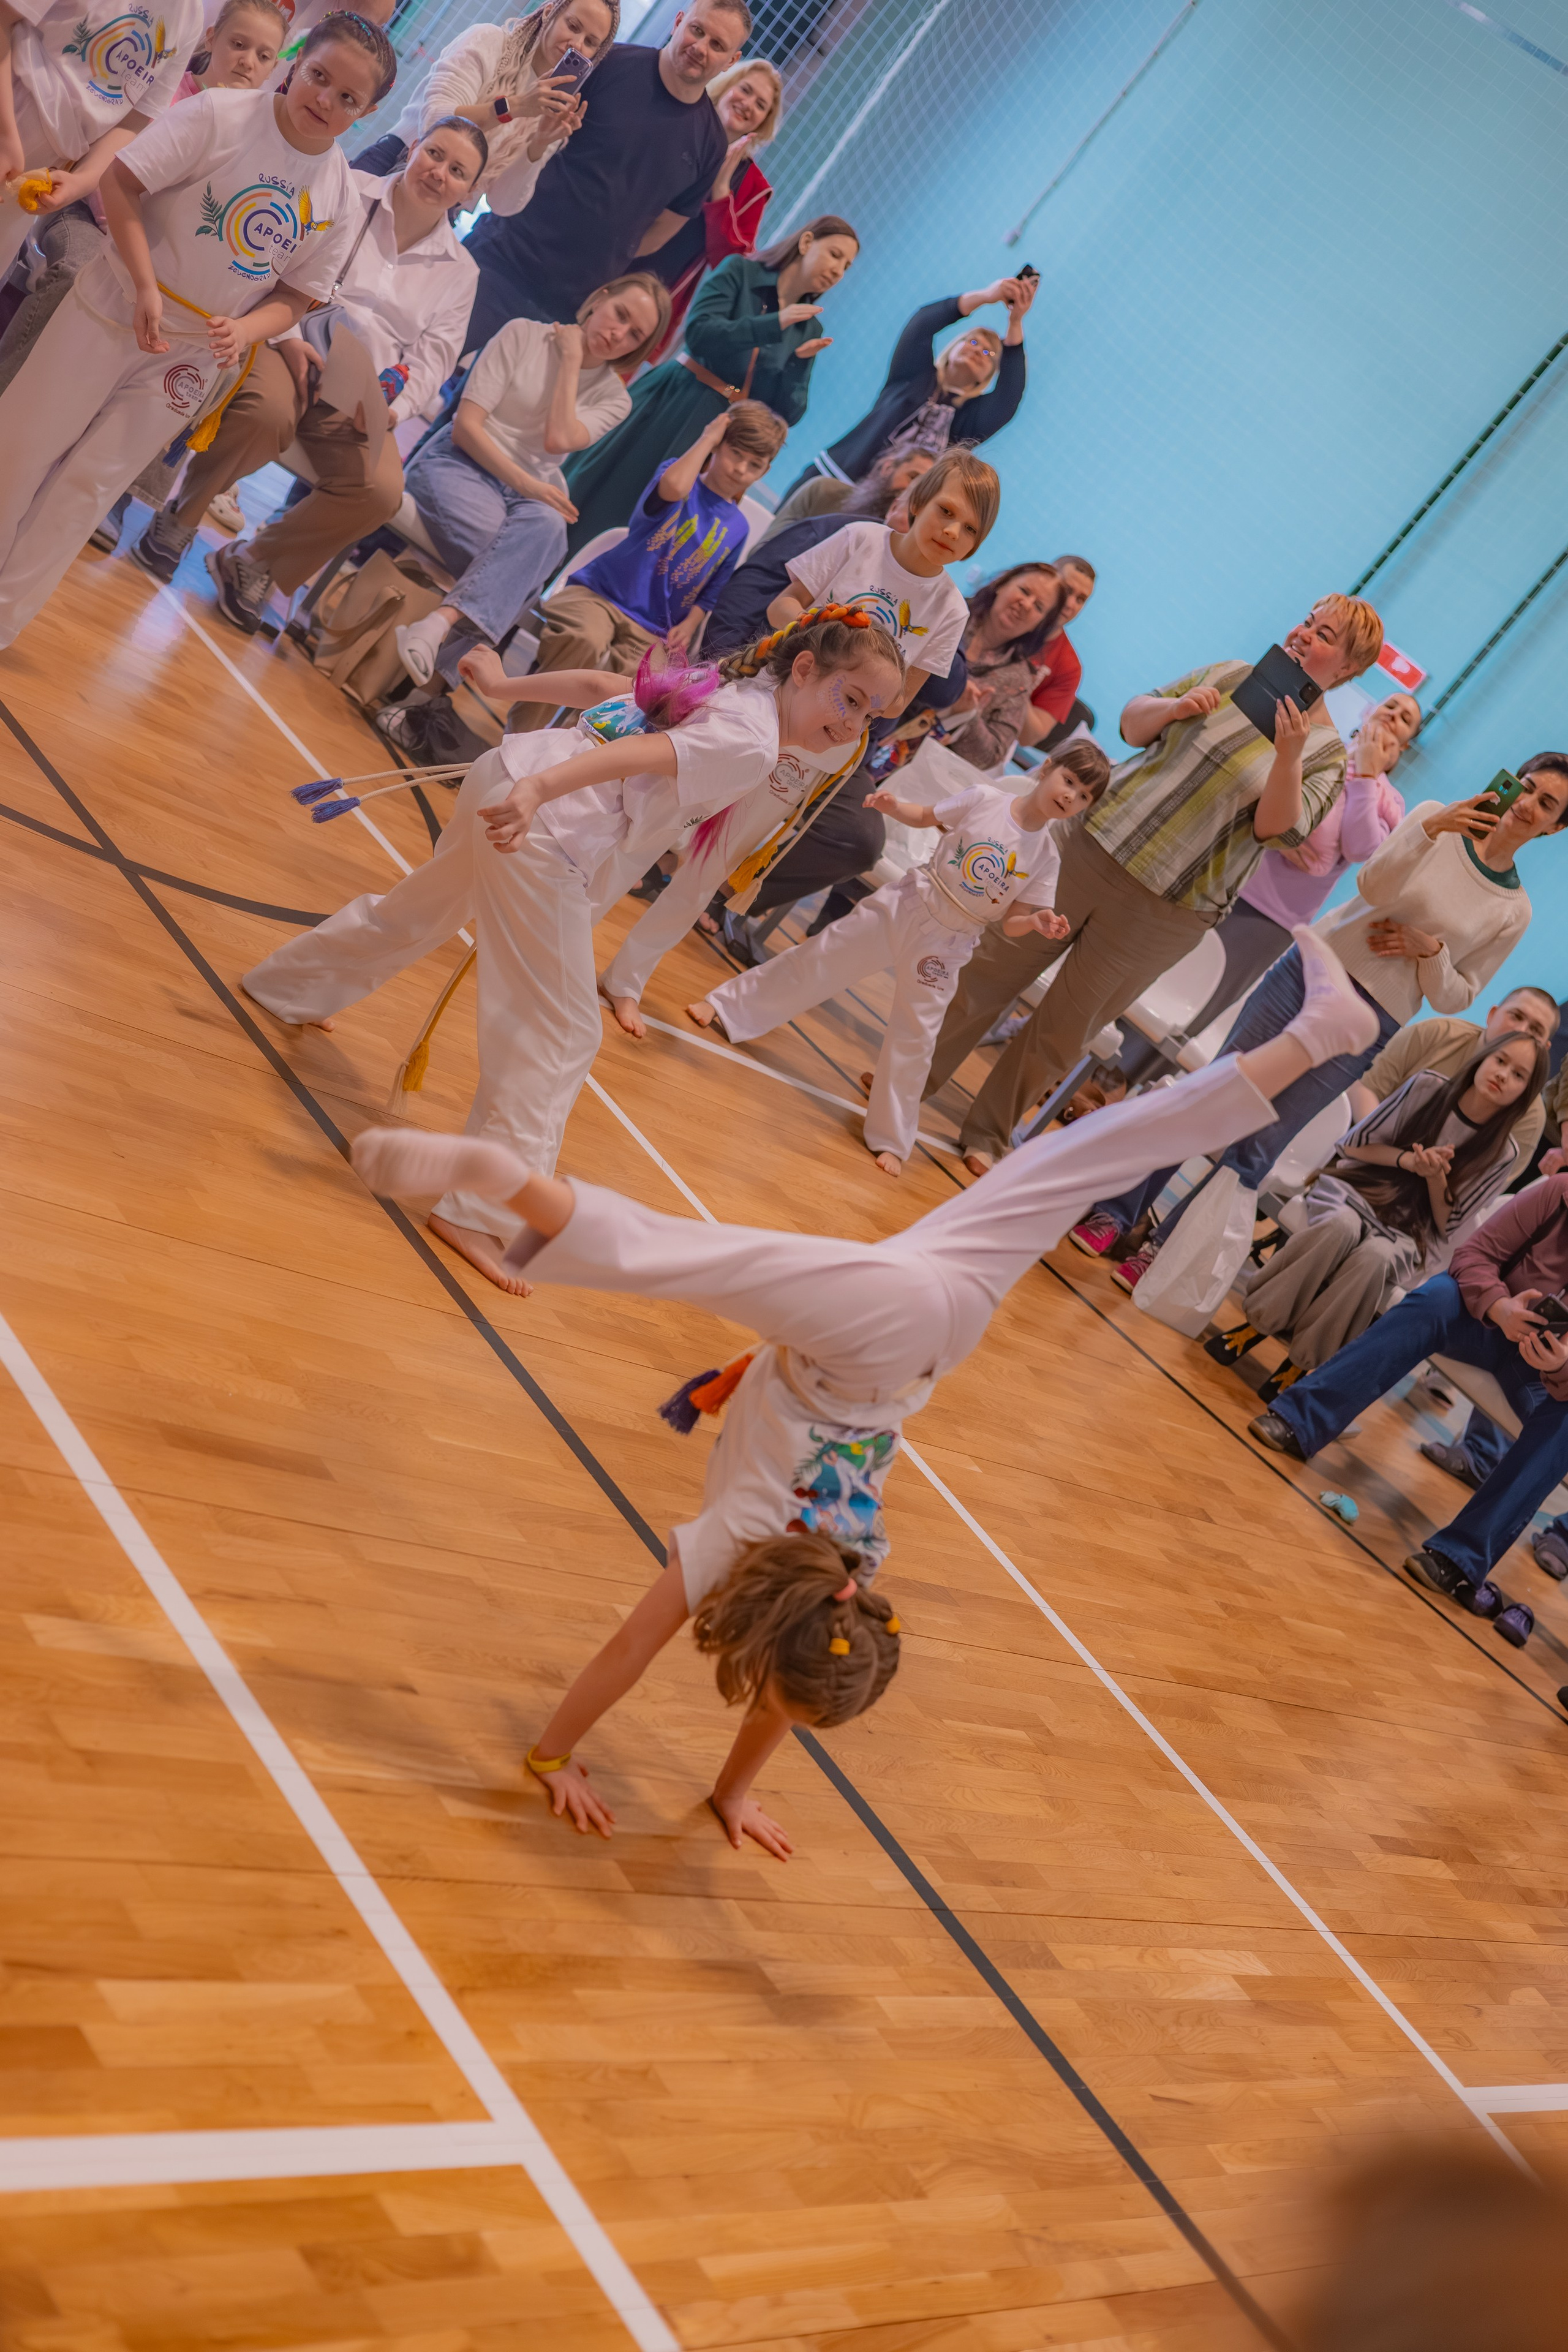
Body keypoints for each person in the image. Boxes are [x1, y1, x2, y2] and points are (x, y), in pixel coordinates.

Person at [345, 925, 1382, 1853]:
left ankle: (1317, 1035)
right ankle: (498, 1176)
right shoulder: (744, 1564)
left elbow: (786, 1700)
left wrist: (725, 1797)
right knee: (712, 1260)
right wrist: (551, 1757)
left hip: (929, 1343)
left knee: (1083, 1155)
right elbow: (642, 1654)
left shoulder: (846, 1574)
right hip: (871, 1346)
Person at [241, 606, 903, 1292]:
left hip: (505, 772)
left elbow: (602, 692)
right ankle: (478, 1211)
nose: (854, 725)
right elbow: (646, 751)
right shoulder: (752, 740)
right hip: (542, 829)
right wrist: (538, 792)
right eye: (849, 699)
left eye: (871, 715)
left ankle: (289, 987)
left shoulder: (734, 687)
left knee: (421, 912)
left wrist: (503, 690)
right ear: (803, 668)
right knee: (560, 1034)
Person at [921, 594, 1384, 1175]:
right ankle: (912, 1079)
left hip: (1168, 909)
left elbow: (1278, 830)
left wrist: (1288, 757)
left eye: (1325, 635)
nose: (1304, 634)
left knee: (1066, 1027)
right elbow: (1132, 722)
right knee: (991, 967)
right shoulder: (1231, 673)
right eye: (1308, 622)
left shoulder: (1325, 754)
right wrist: (1174, 709)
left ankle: (986, 1133)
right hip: (1090, 845)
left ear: (1346, 669)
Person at [1095, 750, 1567, 1299]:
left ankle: (1164, 1250)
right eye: (1526, 787)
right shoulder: (1437, 816)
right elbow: (1371, 886)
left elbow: (1456, 993)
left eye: (1547, 804)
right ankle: (1116, 1212)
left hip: (1369, 1022)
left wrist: (1430, 949)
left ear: (1556, 828)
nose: (1528, 804)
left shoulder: (1515, 910)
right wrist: (1430, 829)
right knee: (1212, 1092)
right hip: (1310, 972)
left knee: (1262, 1141)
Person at [0, 10, 382, 652]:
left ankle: (6, 619)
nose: (325, 100)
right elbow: (122, 183)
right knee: (22, 444)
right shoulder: (221, 116)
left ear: (366, 113)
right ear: (295, 64)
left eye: (348, 97)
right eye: (318, 76)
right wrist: (146, 285)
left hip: (193, 354)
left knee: (90, 485)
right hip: (117, 301)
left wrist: (245, 329)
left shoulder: (340, 198)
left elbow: (295, 296)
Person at [1069, 690, 1416, 1259]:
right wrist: (1298, 833)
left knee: (1201, 1056)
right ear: (1366, 714)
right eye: (1392, 705)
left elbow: (1359, 850)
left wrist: (1361, 783)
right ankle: (1095, 1126)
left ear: (1403, 750)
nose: (1395, 716)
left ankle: (1124, 1204)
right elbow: (1280, 819)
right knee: (1148, 1007)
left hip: (1273, 924)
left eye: (1408, 719)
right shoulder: (1317, 749)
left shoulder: (1388, 801)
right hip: (1220, 884)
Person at [688, 743, 1110, 1175]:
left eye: (1083, 797)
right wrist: (893, 807)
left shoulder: (1047, 859)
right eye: (1070, 781)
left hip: (950, 943)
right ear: (1047, 769)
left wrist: (1038, 921)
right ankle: (727, 1007)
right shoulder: (986, 800)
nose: (1070, 796)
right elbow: (927, 816)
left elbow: (1014, 922)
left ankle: (890, 1136)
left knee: (917, 1034)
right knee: (822, 958)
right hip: (908, 903)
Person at [124, 117, 482, 609]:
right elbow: (280, 260)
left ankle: (254, 560)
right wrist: (289, 337)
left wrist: (391, 411)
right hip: (292, 347)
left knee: (380, 493)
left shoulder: (462, 273)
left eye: (459, 171)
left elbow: (433, 362)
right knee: (263, 413)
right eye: (436, 154)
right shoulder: (346, 189)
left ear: (470, 192)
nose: (441, 173)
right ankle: (181, 518)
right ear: (414, 146)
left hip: (363, 397)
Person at [1251, 1156, 1568, 1649]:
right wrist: (1501, 1306)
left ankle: (1460, 1558)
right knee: (1437, 1298)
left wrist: (1559, 1367)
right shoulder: (1555, 1194)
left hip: (1546, 1377)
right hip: (1489, 1320)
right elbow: (1474, 1256)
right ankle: (1301, 1419)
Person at [1207, 1031, 1544, 1396]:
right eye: (1501, 1061)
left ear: (1525, 1094)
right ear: (1484, 1057)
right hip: (1357, 1189)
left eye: (1519, 1075)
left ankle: (1299, 1363)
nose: (1503, 1075)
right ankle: (1256, 1326)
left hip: (1411, 1231)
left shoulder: (1503, 1153)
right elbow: (1354, 1145)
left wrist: (1434, 1179)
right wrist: (1409, 1161)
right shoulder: (1427, 1086)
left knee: (1374, 1258)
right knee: (1338, 1229)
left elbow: (1450, 1223)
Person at [389, 272, 669, 687]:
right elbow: (467, 427)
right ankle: (429, 693)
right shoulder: (523, 334)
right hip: (458, 463)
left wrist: (572, 361)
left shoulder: (616, 399)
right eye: (620, 314)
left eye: (634, 335)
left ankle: (437, 625)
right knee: (528, 559)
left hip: (522, 496)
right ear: (600, 297)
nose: (618, 334)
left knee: (546, 528)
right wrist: (528, 485)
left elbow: (558, 438)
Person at [0, 0, 285, 400]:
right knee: (77, 278)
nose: (247, 61)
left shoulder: (254, 133)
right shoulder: (182, 103)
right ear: (213, 39)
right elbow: (115, 187)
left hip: (106, 220)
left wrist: (83, 182)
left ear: (276, 67)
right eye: (238, 44)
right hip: (96, 220)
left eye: (264, 55)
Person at [560, 216, 858, 554]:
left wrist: (797, 362)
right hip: (675, 400)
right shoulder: (741, 273)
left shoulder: (809, 329)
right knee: (600, 498)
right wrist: (772, 324)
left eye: (846, 266)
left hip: (719, 433)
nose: (838, 271)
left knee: (647, 533)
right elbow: (700, 333)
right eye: (834, 255)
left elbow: (788, 413)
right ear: (806, 243)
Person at [461, 0, 746, 353]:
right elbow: (533, 135)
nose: (700, 48)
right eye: (697, 30)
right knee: (414, 367)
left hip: (569, 306)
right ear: (678, 22)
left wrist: (601, 249)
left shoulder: (711, 144)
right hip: (503, 256)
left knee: (479, 406)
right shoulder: (609, 64)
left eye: (717, 45)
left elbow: (659, 233)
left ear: (731, 61)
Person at [508, 396, 785, 723]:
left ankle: (559, 752)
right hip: (600, 596)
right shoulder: (675, 475)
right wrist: (708, 437)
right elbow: (676, 486)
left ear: (765, 470)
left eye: (754, 465)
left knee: (633, 689)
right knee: (582, 641)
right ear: (718, 445)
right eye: (735, 454)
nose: (740, 469)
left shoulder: (739, 528)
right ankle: (520, 736)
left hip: (654, 629)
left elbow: (714, 588)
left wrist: (691, 623)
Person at [0, 0, 204, 295]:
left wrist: (82, 181)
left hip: (36, 173)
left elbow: (135, 120)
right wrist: (6, 134)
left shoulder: (189, 16)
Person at [778, 277, 1033, 501]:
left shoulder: (971, 420)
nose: (978, 351)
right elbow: (922, 324)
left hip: (883, 510)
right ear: (955, 347)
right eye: (974, 341)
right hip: (834, 477)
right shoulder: (914, 375)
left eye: (989, 352)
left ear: (989, 375)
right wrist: (988, 296)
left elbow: (1009, 395)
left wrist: (1016, 322)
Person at [349, 0, 616, 206]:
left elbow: (503, 204)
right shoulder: (489, 42)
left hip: (445, 208)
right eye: (573, 26)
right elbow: (435, 121)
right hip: (392, 165)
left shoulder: (555, 108)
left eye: (591, 42)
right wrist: (517, 107)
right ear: (549, 12)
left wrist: (540, 144)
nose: (577, 44)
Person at [703, 448, 933, 648]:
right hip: (756, 626)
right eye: (913, 478)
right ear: (887, 468)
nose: (914, 490)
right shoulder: (826, 497)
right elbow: (763, 564)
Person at [641, 55, 780, 363]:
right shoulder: (679, 124)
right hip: (605, 256)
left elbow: (730, 263)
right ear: (727, 86)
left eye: (761, 105)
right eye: (745, 91)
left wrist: (720, 194)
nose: (748, 104)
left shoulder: (752, 185)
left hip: (656, 293)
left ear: (764, 121)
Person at [939, 562, 1068, 772]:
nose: (1026, 604)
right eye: (1025, 591)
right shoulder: (950, 611)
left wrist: (968, 716)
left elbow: (990, 759)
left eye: (1038, 607)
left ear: (1040, 624)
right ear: (1002, 584)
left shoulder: (1018, 679)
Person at [1020, 555, 1096, 745]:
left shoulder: (1069, 666)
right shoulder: (1006, 613)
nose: (1070, 604)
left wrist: (1015, 678)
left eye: (1080, 599)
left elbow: (1030, 737)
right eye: (1067, 590)